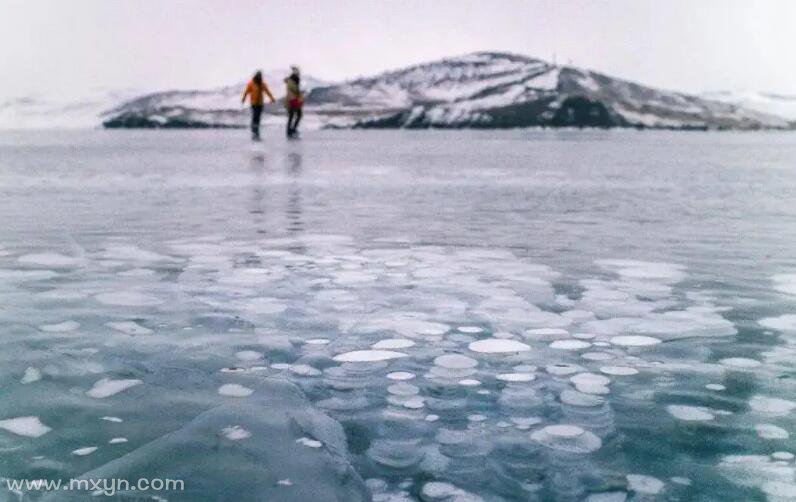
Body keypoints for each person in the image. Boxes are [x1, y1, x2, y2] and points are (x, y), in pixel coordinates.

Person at [241, 70, 275, 140]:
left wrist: (272, 98)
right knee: (255, 115)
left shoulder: (262, 84)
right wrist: (243, 99)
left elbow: (267, 91)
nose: (259, 77)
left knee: (258, 115)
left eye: (260, 76)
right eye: (258, 76)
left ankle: (257, 128)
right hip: (253, 103)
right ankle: (254, 128)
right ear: (256, 76)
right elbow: (246, 92)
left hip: (260, 103)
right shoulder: (251, 83)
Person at [284, 66, 304, 138]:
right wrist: (300, 93)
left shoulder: (294, 81)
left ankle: (291, 130)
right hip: (292, 101)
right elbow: (295, 90)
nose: (299, 74)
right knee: (295, 115)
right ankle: (291, 130)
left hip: (294, 100)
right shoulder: (291, 81)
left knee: (294, 116)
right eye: (298, 73)